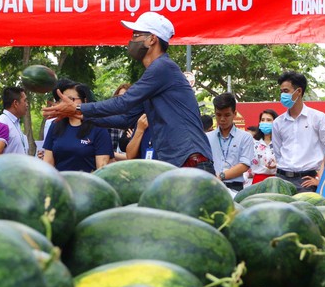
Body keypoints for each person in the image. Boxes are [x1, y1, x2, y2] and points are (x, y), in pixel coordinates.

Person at [42, 12, 214, 173]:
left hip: (189, 159)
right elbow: (126, 118)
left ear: (152, 39)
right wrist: (80, 116)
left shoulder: (162, 67)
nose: (131, 40)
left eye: (136, 35)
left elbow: (123, 102)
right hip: (177, 161)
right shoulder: (156, 74)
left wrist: (79, 109)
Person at [271, 71, 325, 192]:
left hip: (306, 181)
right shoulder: (278, 122)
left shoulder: (318, 118)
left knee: (305, 210)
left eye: (285, 91)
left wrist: (321, 179)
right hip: (281, 179)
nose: (282, 95)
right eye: (281, 92)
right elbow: (278, 153)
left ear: (298, 91)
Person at [43, 83, 112, 172]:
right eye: (63, 100)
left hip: (87, 183)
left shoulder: (98, 127)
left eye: (71, 99)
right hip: (60, 183)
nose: (66, 103)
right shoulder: (55, 124)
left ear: (85, 101)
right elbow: (48, 163)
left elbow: (102, 168)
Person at [207, 93, 254, 192]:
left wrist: (221, 176)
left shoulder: (245, 137)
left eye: (227, 115)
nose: (222, 119)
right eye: (218, 115)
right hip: (212, 187)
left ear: (234, 114)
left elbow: (244, 164)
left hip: (235, 188)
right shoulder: (207, 137)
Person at [247, 109, 278, 185]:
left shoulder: (281, 143)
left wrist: (277, 165)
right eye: (262, 120)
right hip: (258, 182)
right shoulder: (254, 143)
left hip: (277, 181)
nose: (265, 122)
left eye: (269, 120)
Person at [0, 86, 29, 155]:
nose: (27, 105)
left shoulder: (16, 123)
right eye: (25, 101)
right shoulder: (1, 122)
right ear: (15, 103)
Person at [107, 83, 132, 161]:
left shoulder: (137, 123)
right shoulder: (109, 123)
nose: (123, 100)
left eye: (126, 97)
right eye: (119, 97)